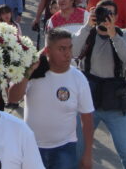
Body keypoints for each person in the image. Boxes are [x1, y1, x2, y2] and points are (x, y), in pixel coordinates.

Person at [11, 29, 95, 169]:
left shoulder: (78, 78)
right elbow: (13, 97)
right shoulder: (34, 72)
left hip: (65, 148)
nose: (68, 53)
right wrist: (28, 72)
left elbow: (87, 118)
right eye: (61, 49)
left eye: (69, 48)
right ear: (48, 51)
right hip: (32, 147)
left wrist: (87, 154)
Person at [74, 0, 126, 169]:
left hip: (115, 102)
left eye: (110, 14)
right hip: (89, 101)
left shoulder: (124, 34)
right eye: (103, 12)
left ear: (117, 17)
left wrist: (114, 35)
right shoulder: (88, 33)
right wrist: (88, 25)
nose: (106, 18)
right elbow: (73, 52)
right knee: (78, 149)